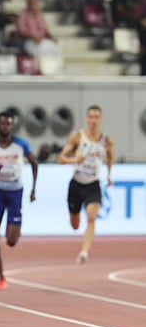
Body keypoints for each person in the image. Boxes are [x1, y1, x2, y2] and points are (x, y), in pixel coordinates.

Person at [0, 111, 38, 290]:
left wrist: (33, 190)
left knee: (11, 241)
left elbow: (34, 163)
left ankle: (13, 227)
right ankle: (1, 276)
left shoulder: (21, 145)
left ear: (12, 126)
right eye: (3, 123)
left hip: (15, 194)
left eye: (9, 124)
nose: (6, 127)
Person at [57, 105, 113, 263]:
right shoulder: (77, 136)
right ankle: (75, 218)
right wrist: (75, 159)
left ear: (100, 119)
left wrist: (109, 175)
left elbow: (110, 157)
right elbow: (61, 158)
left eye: (97, 117)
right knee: (75, 224)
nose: (94, 120)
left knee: (91, 217)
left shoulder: (106, 140)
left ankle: (84, 252)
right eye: (91, 117)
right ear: (87, 118)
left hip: (93, 185)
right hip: (76, 184)